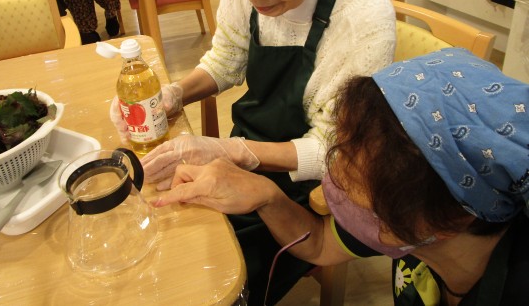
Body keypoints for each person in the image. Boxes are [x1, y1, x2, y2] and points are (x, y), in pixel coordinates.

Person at [111, 0, 395, 304]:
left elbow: (333, 150)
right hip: (242, 155)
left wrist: (234, 152)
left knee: (212, 283)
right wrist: (173, 95)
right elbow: (226, 60)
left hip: (308, 189)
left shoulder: (361, 15)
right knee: (156, 237)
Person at [154, 48, 529, 306]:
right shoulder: (413, 226)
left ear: (446, 219)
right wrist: (266, 195)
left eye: (352, 184)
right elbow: (320, 244)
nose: (332, 178)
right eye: (340, 149)